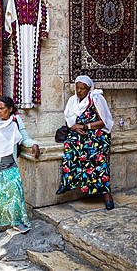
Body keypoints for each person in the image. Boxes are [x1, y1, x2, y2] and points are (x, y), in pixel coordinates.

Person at [0, 96, 40, 236]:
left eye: (2, 108)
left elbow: (24, 138)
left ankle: (17, 223)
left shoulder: (15, 121)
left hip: (9, 165)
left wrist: (34, 144)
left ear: (10, 109)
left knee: (15, 193)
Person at [56, 75, 114, 210]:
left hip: (96, 132)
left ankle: (107, 195)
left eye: (82, 88)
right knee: (71, 145)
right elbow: (69, 119)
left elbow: (103, 122)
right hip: (79, 132)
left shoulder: (96, 98)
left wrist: (85, 126)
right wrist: (75, 127)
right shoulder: (73, 101)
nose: (79, 91)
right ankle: (66, 182)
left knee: (97, 156)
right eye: (77, 87)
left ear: (89, 88)